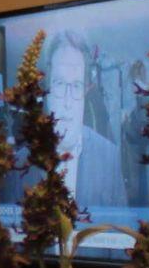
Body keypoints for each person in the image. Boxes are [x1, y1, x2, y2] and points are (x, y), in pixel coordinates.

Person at [44, 33, 128, 211]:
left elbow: (121, 225)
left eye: (76, 86)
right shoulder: (20, 163)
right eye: (59, 84)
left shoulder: (109, 158)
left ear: (86, 91)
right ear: (47, 89)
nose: (67, 102)